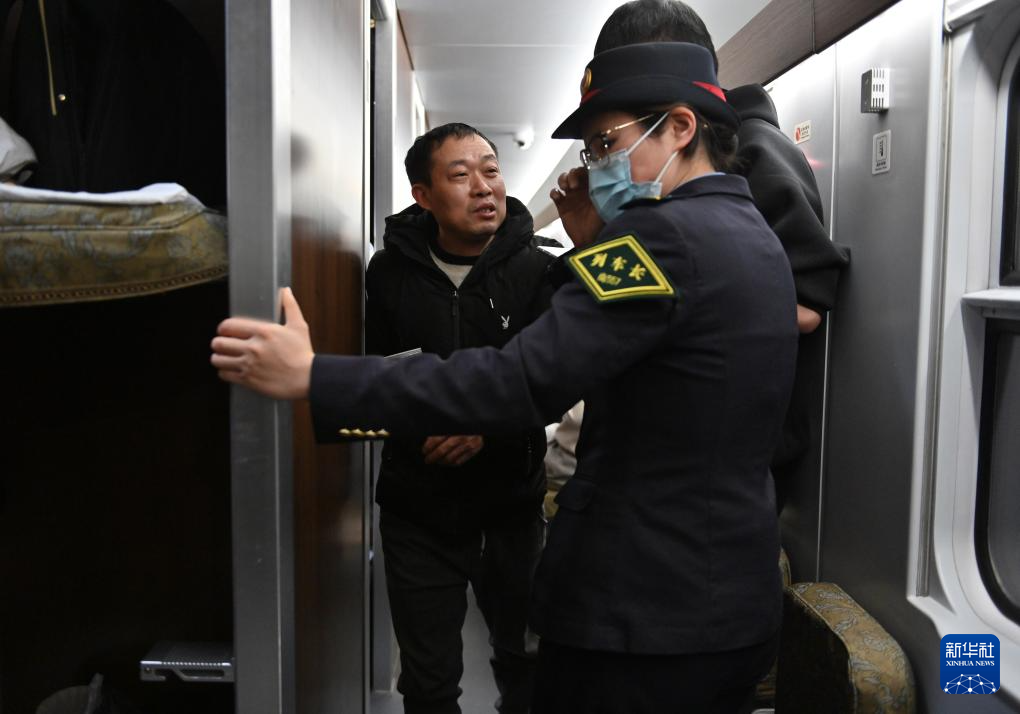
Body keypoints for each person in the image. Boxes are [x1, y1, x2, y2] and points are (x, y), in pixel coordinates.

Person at [211, 42, 797, 713]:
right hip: (729, 600)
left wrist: (316, 378)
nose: (597, 165)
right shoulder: (754, 234)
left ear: (682, 128)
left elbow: (520, 378)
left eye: (606, 143)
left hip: (647, 613)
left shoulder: (663, 239)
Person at [555, 0, 851, 507]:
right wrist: (593, 244)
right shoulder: (655, 174)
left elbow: (804, 306)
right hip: (642, 453)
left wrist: (682, 296)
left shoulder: (755, 153)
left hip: (716, 461)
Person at [366, 123, 553, 714]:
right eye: (460, 175)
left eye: (491, 170)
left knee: (525, 660)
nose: (483, 187)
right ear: (423, 195)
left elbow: (555, 379)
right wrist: (421, 425)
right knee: (427, 681)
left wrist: (489, 427)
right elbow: (379, 374)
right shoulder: (388, 273)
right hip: (417, 508)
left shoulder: (538, 271)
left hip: (511, 508)